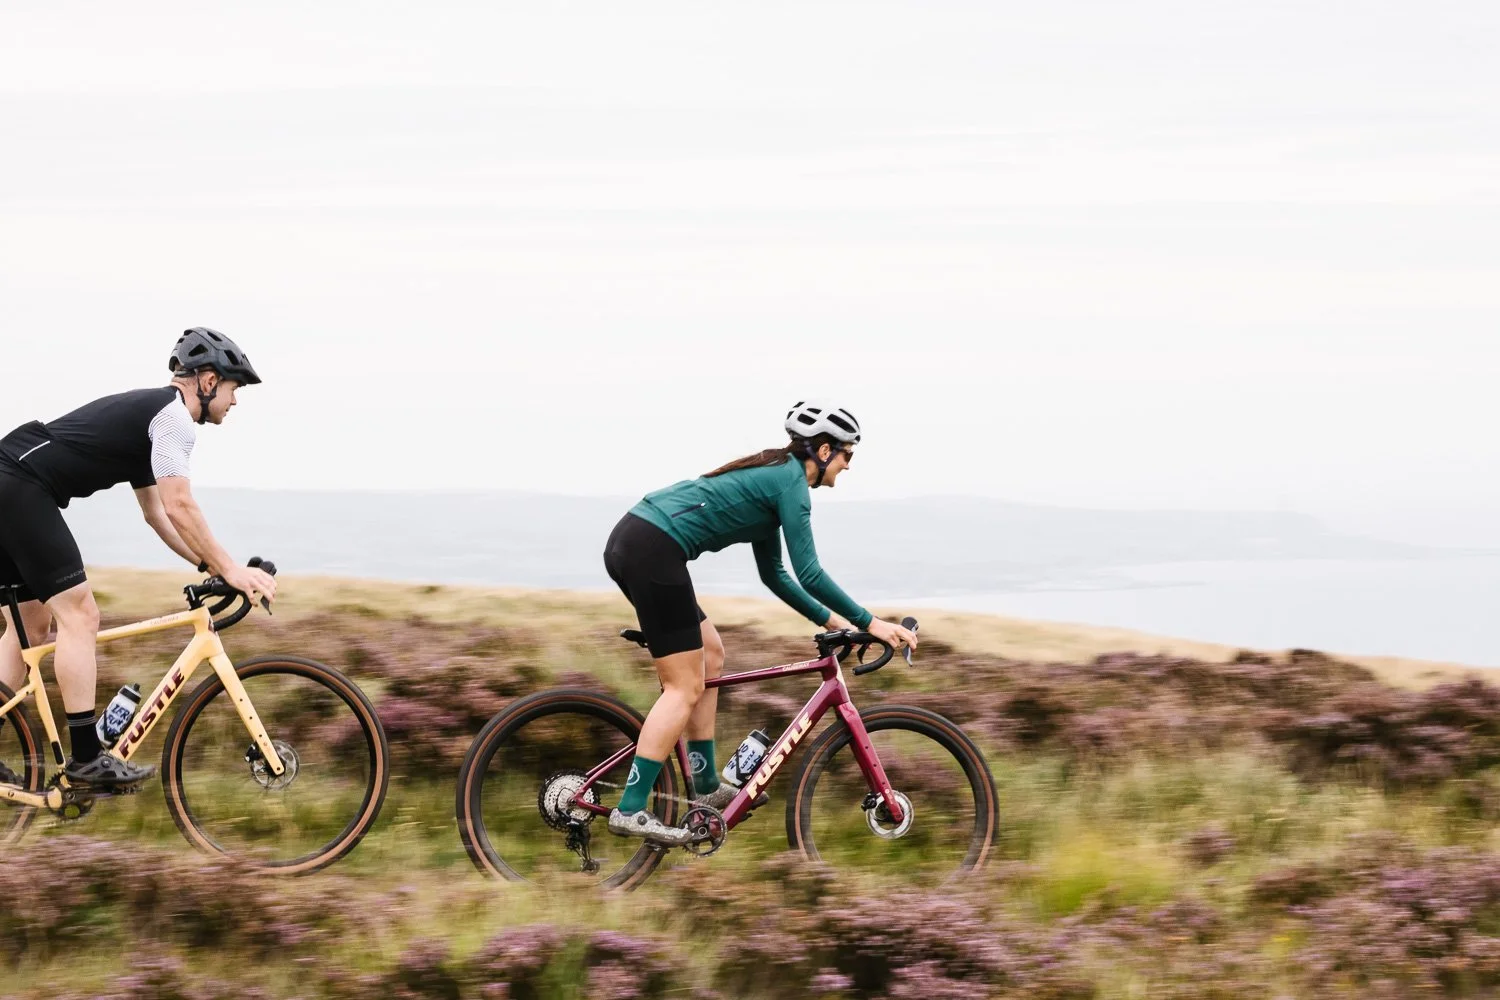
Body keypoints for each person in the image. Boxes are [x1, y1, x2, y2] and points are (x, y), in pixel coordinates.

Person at [602, 401, 918, 845]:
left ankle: (706, 784)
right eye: (848, 455)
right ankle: (631, 809)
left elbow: (777, 577)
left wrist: (834, 624)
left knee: (712, 654)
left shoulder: (778, 479)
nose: (848, 466)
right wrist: (873, 623)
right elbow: (810, 573)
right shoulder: (790, 484)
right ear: (824, 451)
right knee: (683, 687)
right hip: (651, 549)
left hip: (641, 542)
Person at [0, 328, 277, 789]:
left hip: (10, 482)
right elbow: (179, 505)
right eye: (233, 388)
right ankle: (87, 759)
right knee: (81, 615)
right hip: (20, 486)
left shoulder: (152, 420)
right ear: (208, 382)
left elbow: (157, 516)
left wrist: (209, 567)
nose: (235, 400)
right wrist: (231, 568)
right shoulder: (173, 419)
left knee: (30, 626)